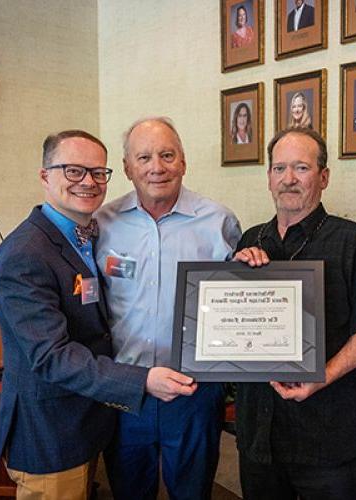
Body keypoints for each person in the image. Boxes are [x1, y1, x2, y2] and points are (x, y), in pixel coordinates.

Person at [0, 129, 195, 500]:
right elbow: (51, 356)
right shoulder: (25, 253)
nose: (88, 182)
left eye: (98, 172)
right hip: (50, 433)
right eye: (73, 171)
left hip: (87, 422)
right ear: (44, 175)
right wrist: (143, 380)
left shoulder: (85, 236)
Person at [234, 127, 356, 499]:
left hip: (328, 435)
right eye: (279, 168)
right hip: (260, 434)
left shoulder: (353, 242)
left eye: (301, 168)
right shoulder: (249, 241)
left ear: (323, 177)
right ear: (269, 178)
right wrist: (235, 277)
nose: (289, 179)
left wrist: (323, 376)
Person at [96, 117, 241, 500]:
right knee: (128, 492)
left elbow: (239, 301)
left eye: (167, 155)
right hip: (125, 391)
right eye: (143, 157)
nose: (156, 167)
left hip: (195, 392)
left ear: (183, 162)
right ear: (127, 167)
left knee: (193, 493)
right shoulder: (101, 224)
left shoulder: (219, 222)